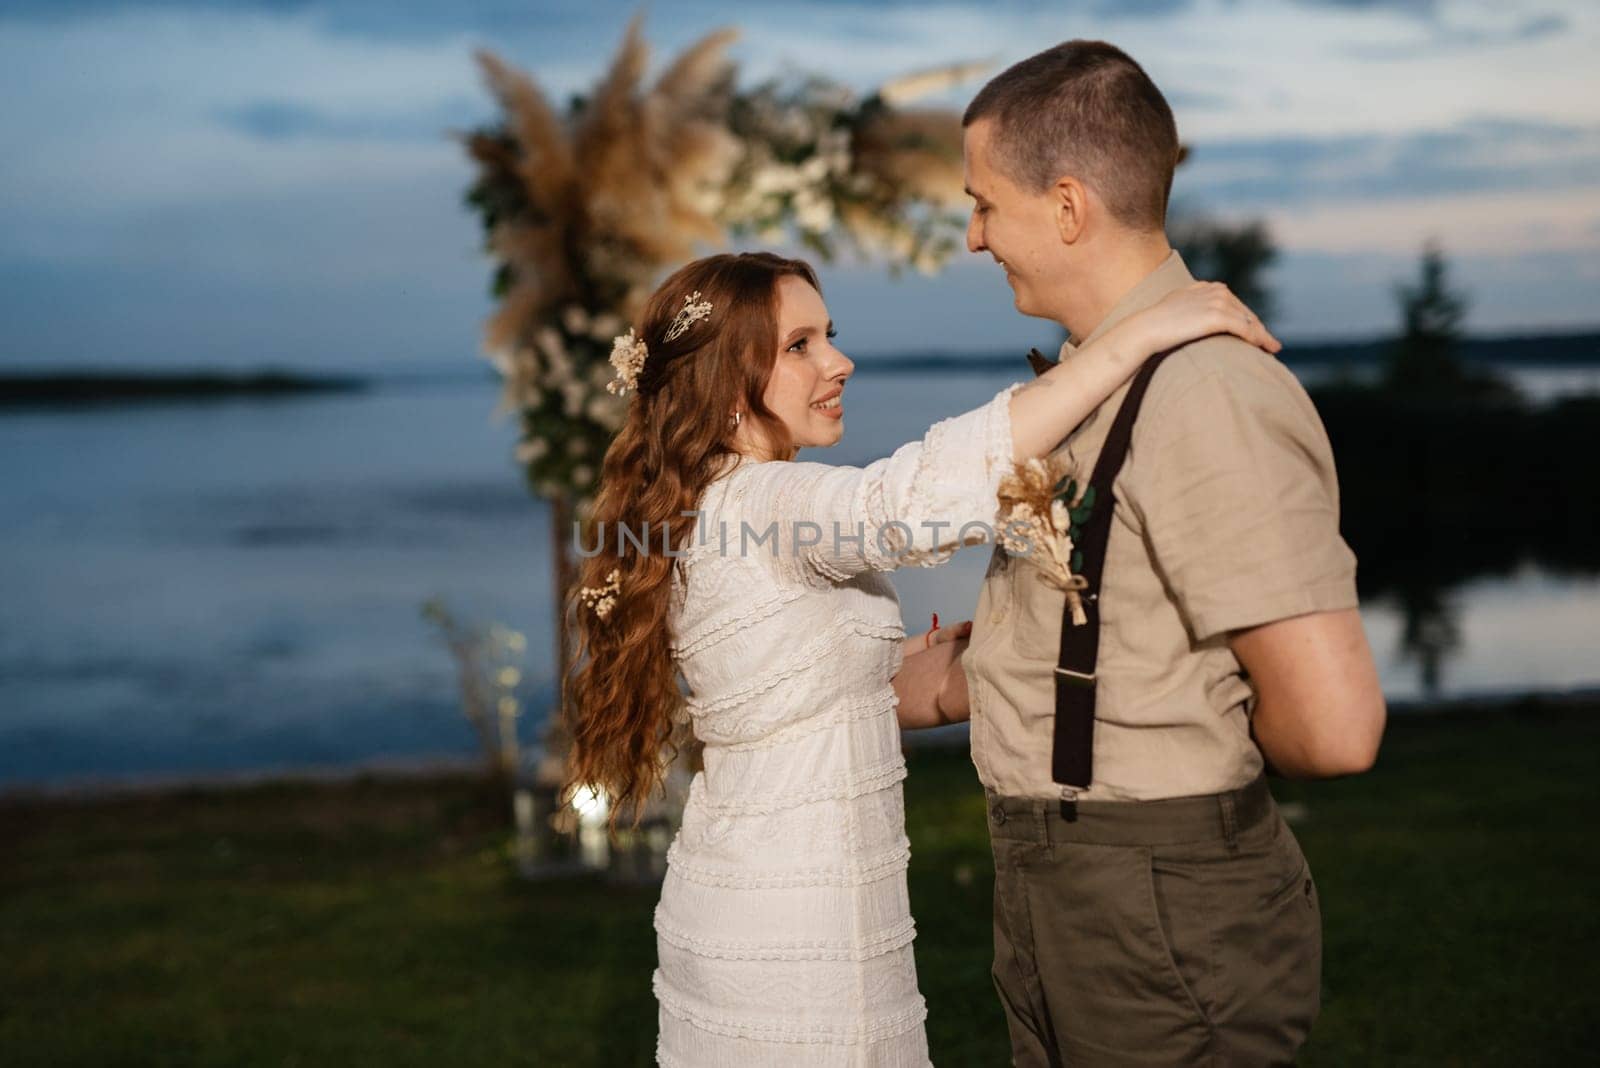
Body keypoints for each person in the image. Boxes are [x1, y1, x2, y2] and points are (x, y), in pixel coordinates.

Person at [563, 249, 1280, 1066]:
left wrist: (1035, 645)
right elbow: (904, 504)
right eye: (800, 346)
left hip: (761, 896)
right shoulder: (770, 503)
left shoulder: (714, 503)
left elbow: (822, 691)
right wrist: (1139, 336)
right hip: (799, 928)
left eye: (829, 335)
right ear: (726, 382)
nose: (840, 361)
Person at [938, 40, 1387, 1066]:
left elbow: (1332, 729)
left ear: (1065, 206)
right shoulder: (1105, 383)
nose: (972, 237)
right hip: (1077, 887)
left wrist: (1187, 801)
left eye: (982, 204)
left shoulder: (1204, 396)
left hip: (1154, 904)